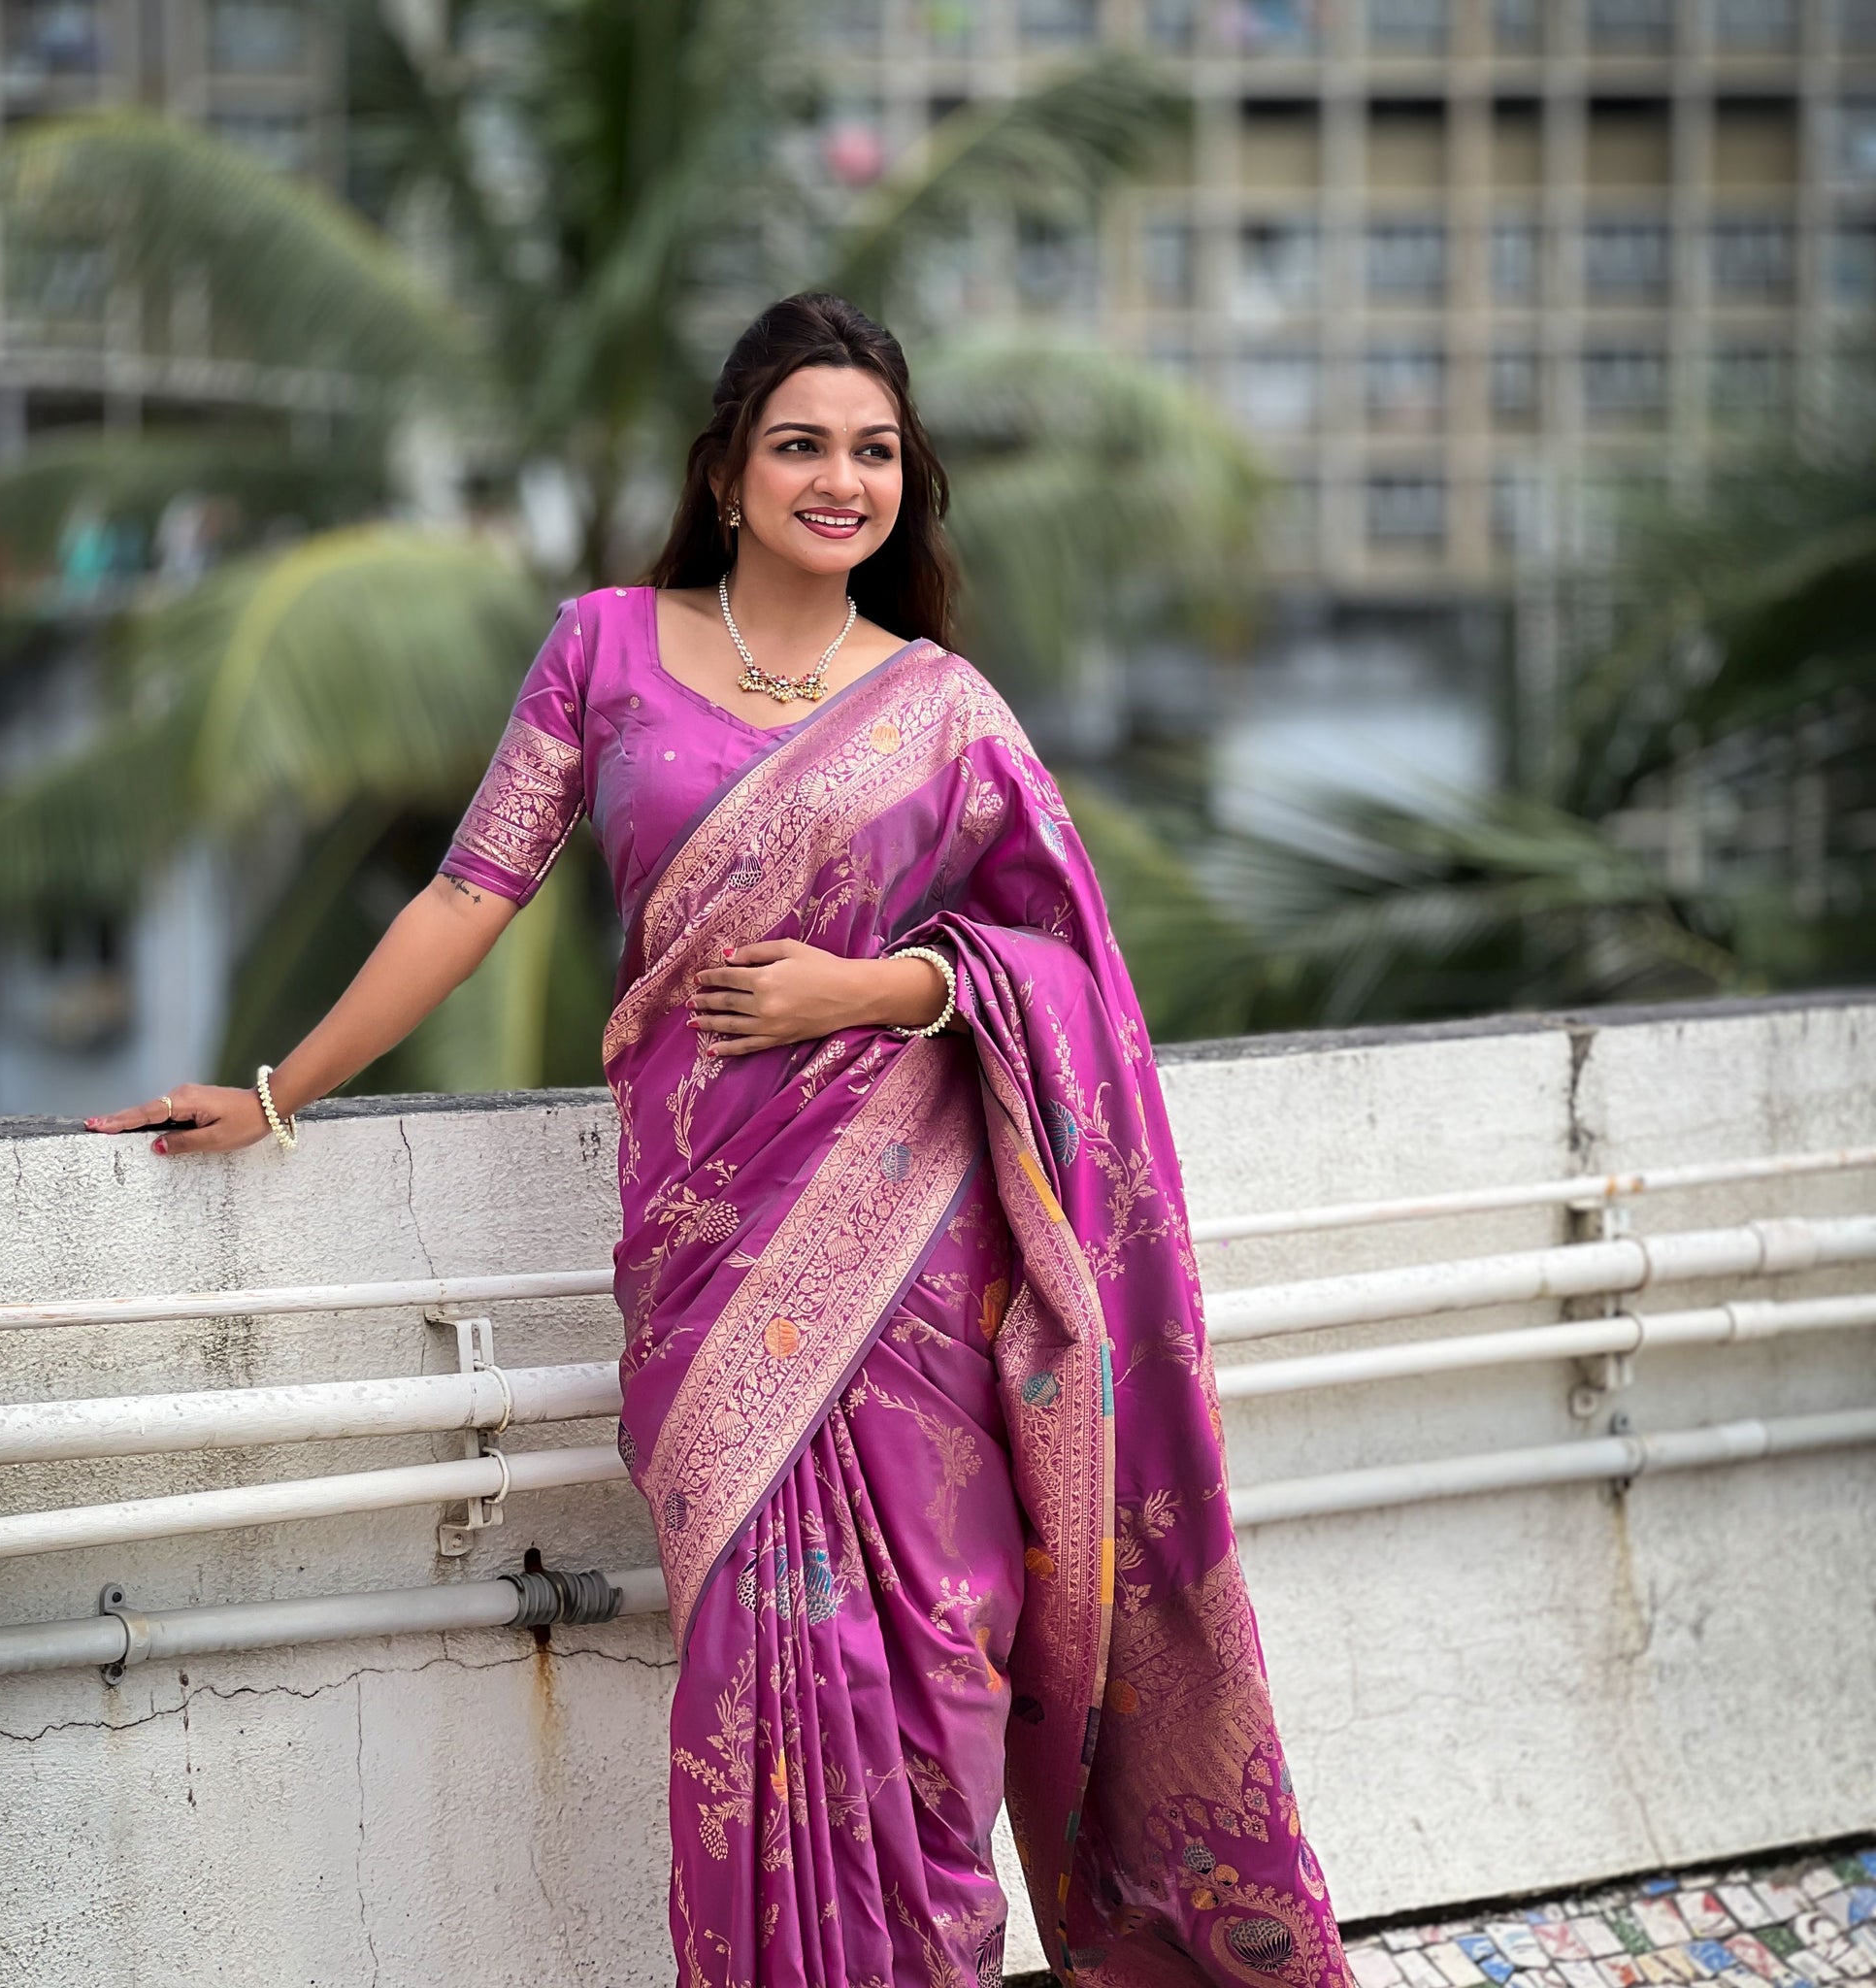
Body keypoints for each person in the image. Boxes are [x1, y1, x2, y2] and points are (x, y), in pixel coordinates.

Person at [89, 292, 1347, 1988]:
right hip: (707, 1262)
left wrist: (880, 988)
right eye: (804, 444)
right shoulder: (603, 649)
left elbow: (1073, 975)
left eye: (877, 451)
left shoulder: (946, 708)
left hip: (917, 1264)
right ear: (731, 470)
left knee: (940, 1665)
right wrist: (276, 1091)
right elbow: (469, 897)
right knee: (764, 1668)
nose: (843, 479)